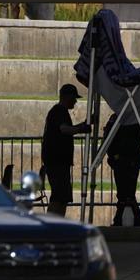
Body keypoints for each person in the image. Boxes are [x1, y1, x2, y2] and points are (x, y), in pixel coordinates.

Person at [41, 84, 91, 216]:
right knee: (59, 197)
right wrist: (81, 129)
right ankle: (53, 223)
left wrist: (83, 125)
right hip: (57, 161)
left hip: (58, 161)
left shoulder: (58, 112)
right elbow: (64, 129)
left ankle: (56, 222)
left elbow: (65, 128)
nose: (75, 101)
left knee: (61, 197)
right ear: (66, 97)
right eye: (74, 98)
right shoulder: (59, 112)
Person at [103, 114, 140, 226]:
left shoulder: (116, 119)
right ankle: (135, 220)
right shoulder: (133, 118)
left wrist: (113, 157)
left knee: (125, 193)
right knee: (127, 192)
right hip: (127, 160)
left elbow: (108, 140)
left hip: (124, 160)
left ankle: (123, 220)